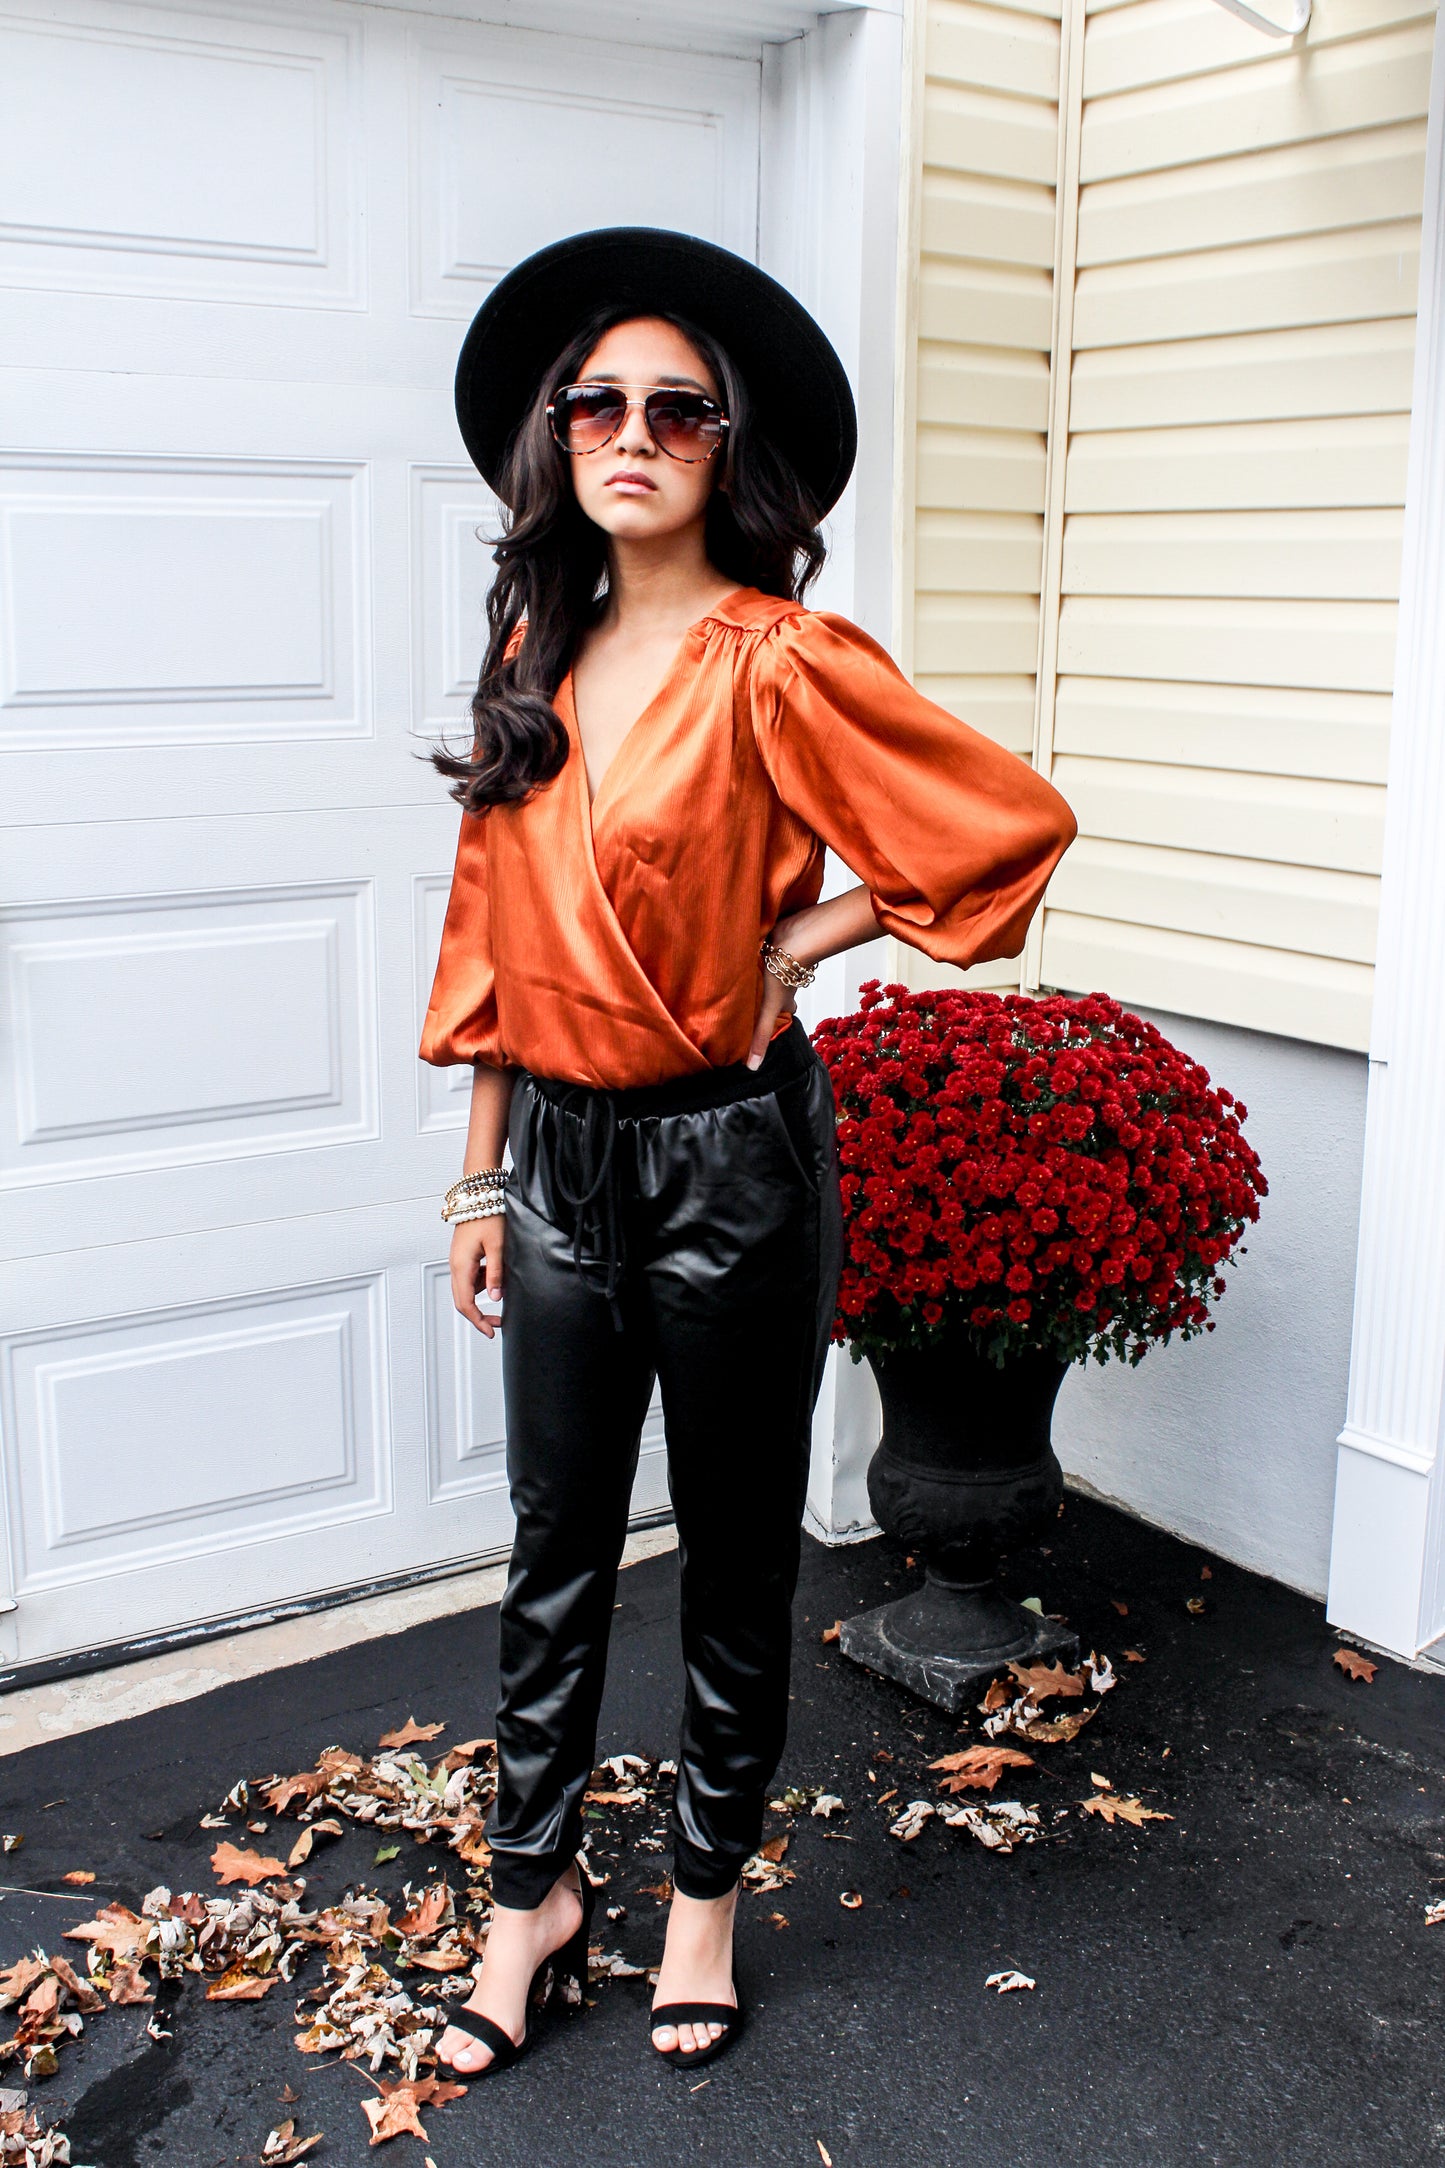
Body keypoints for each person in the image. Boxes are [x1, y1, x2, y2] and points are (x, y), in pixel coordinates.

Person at [418, 226, 1076, 2079]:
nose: (633, 431)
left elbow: (1001, 828)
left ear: (727, 448)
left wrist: (808, 938)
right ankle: (527, 1896)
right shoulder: (532, 646)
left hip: (734, 1164)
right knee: (553, 1546)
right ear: (559, 436)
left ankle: (703, 1894)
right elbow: (485, 931)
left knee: (724, 1550)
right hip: (553, 1159)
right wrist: (477, 1177)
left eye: (677, 409)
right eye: (598, 402)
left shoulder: (776, 656)